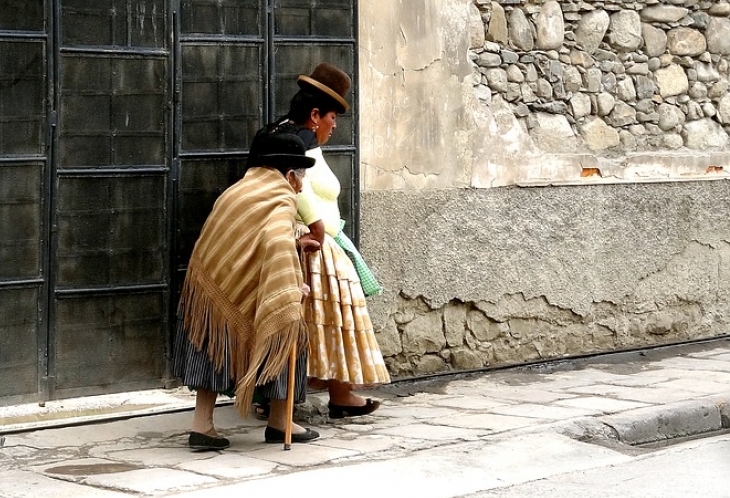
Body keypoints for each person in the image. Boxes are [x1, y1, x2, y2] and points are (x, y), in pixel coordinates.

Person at [255, 63, 391, 420]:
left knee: (323, 321)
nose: (335, 125)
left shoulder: (285, 133)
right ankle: (310, 396)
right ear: (315, 115)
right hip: (311, 246)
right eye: (333, 117)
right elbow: (292, 184)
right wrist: (316, 227)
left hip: (321, 242)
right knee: (313, 321)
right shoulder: (298, 141)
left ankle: (339, 392)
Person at [172, 130, 321, 450]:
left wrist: (295, 241)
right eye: (302, 176)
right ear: (289, 174)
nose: (302, 184)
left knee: (213, 342)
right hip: (244, 285)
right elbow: (273, 241)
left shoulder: (239, 191)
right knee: (286, 324)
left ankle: (202, 425)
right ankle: (280, 421)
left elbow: (248, 241)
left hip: (213, 287)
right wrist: (294, 285)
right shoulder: (280, 197)